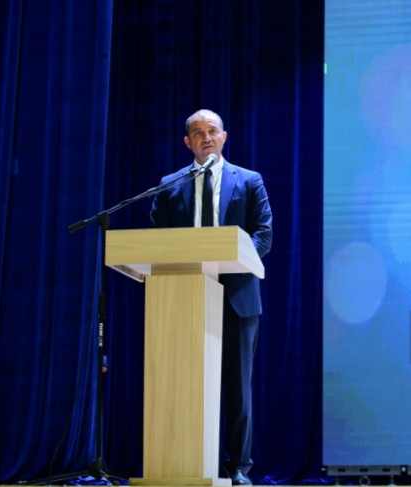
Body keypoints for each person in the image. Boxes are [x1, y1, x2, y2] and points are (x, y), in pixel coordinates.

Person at [149, 109, 272, 486]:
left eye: (212, 131)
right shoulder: (170, 184)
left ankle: (238, 467)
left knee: (237, 389)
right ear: (187, 142)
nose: (206, 138)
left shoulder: (248, 180)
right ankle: (188, 461)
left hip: (236, 297)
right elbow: (158, 239)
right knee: (186, 383)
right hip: (184, 295)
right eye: (198, 133)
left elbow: (263, 235)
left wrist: (231, 258)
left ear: (224, 137)